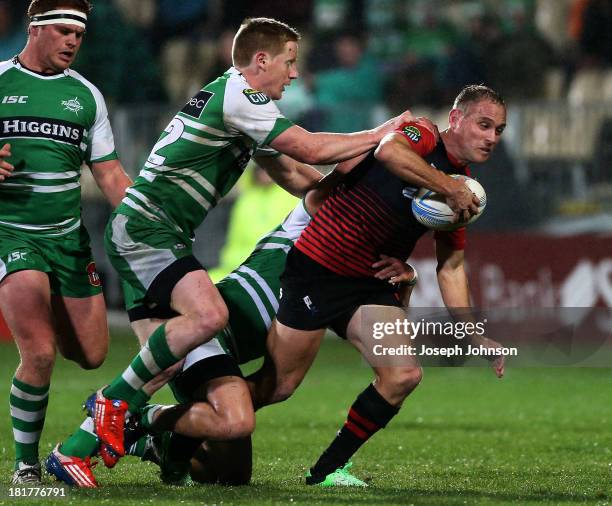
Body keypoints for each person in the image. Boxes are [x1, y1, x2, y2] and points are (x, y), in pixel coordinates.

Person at [51, 15, 428, 479]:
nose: (294, 73)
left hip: (162, 236)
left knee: (229, 445)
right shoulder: (240, 96)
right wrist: (378, 136)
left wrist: (345, 200)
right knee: (210, 315)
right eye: (289, 63)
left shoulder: (242, 104)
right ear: (261, 60)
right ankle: (115, 403)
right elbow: (308, 149)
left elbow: (295, 174)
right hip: (147, 228)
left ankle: (99, 440)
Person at [247, 84, 508, 486]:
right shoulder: (423, 135)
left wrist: (472, 334)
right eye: (484, 124)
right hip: (319, 265)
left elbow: (452, 266)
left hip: (368, 282)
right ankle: (180, 423)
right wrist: (445, 185)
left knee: (402, 375)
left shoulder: (465, 189)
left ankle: (327, 472)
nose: (491, 137)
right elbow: (388, 150)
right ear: (456, 119)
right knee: (278, 386)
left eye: (499, 130)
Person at [0, 0, 132, 484]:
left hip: (68, 240)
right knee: (38, 353)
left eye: (79, 34)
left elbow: (112, 175)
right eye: (62, 31)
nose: (73, 41)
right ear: (35, 30)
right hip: (11, 235)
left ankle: (111, 425)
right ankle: (26, 466)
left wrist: (151, 220)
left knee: (93, 354)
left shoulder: (86, 97)